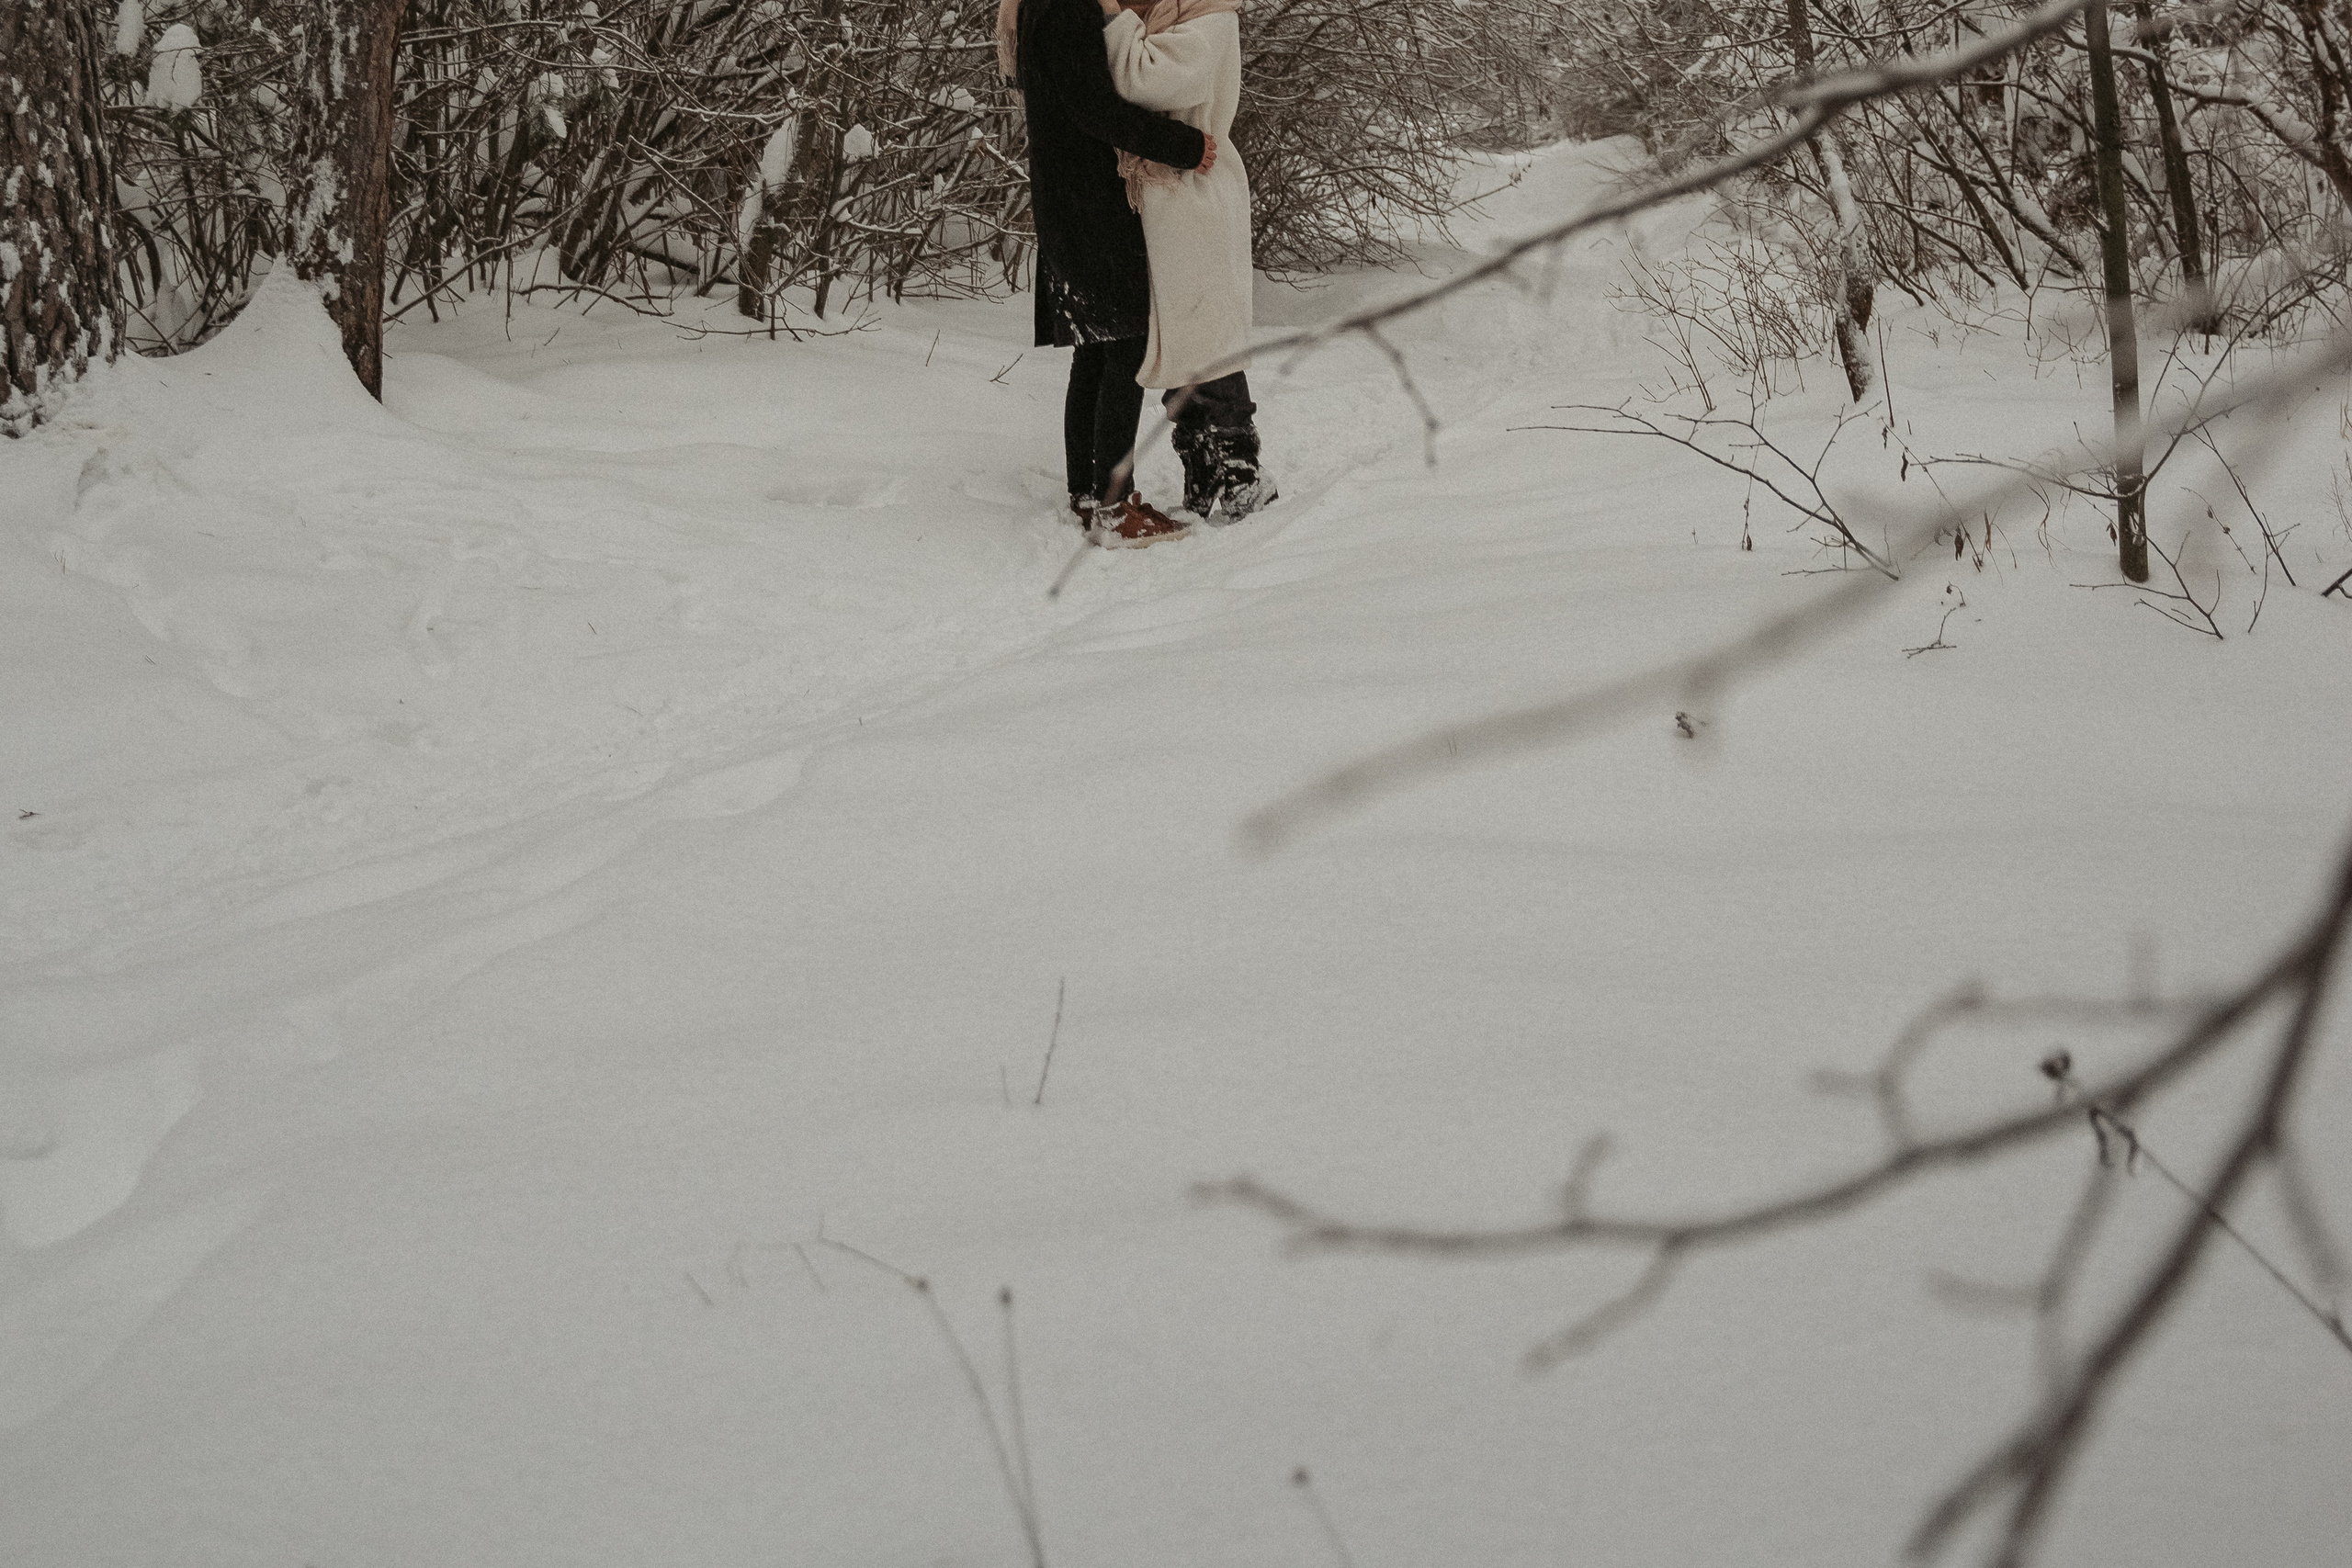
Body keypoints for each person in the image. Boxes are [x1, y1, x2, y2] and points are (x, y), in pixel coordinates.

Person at [999, 0, 1215, 547]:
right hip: (1090, 204)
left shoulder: (1039, 6)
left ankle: (1088, 494)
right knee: (1125, 344)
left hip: (1068, 199)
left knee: (1095, 351)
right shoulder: (1067, 7)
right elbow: (1095, 110)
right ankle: (1115, 508)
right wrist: (1185, 147)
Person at [1099, 0, 1275, 522]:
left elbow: (1146, 81)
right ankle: (1203, 465)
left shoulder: (1209, 14)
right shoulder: (1177, 15)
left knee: (1207, 336)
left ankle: (1241, 473)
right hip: (1172, 192)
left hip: (1195, 196)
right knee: (1186, 335)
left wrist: (1116, 19)